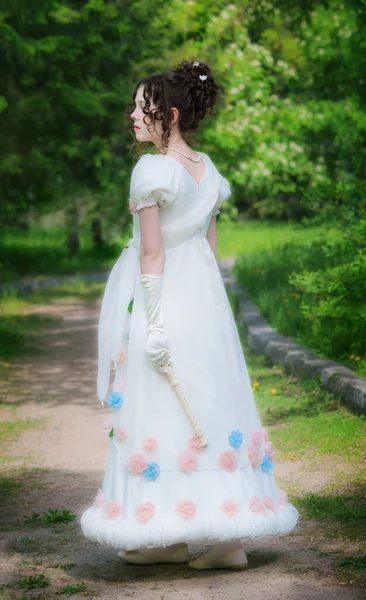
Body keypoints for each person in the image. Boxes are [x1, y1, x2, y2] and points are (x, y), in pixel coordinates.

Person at [80, 60, 298, 570]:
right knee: (212, 406)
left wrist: (153, 321)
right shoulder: (208, 170)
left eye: (143, 107)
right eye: (134, 106)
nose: (133, 115)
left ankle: (167, 532)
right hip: (205, 307)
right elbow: (209, 251)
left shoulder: (152, 170)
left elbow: (152, 254)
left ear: (170, 114)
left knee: (161, 406)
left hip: (166, 301)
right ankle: (221, 537)